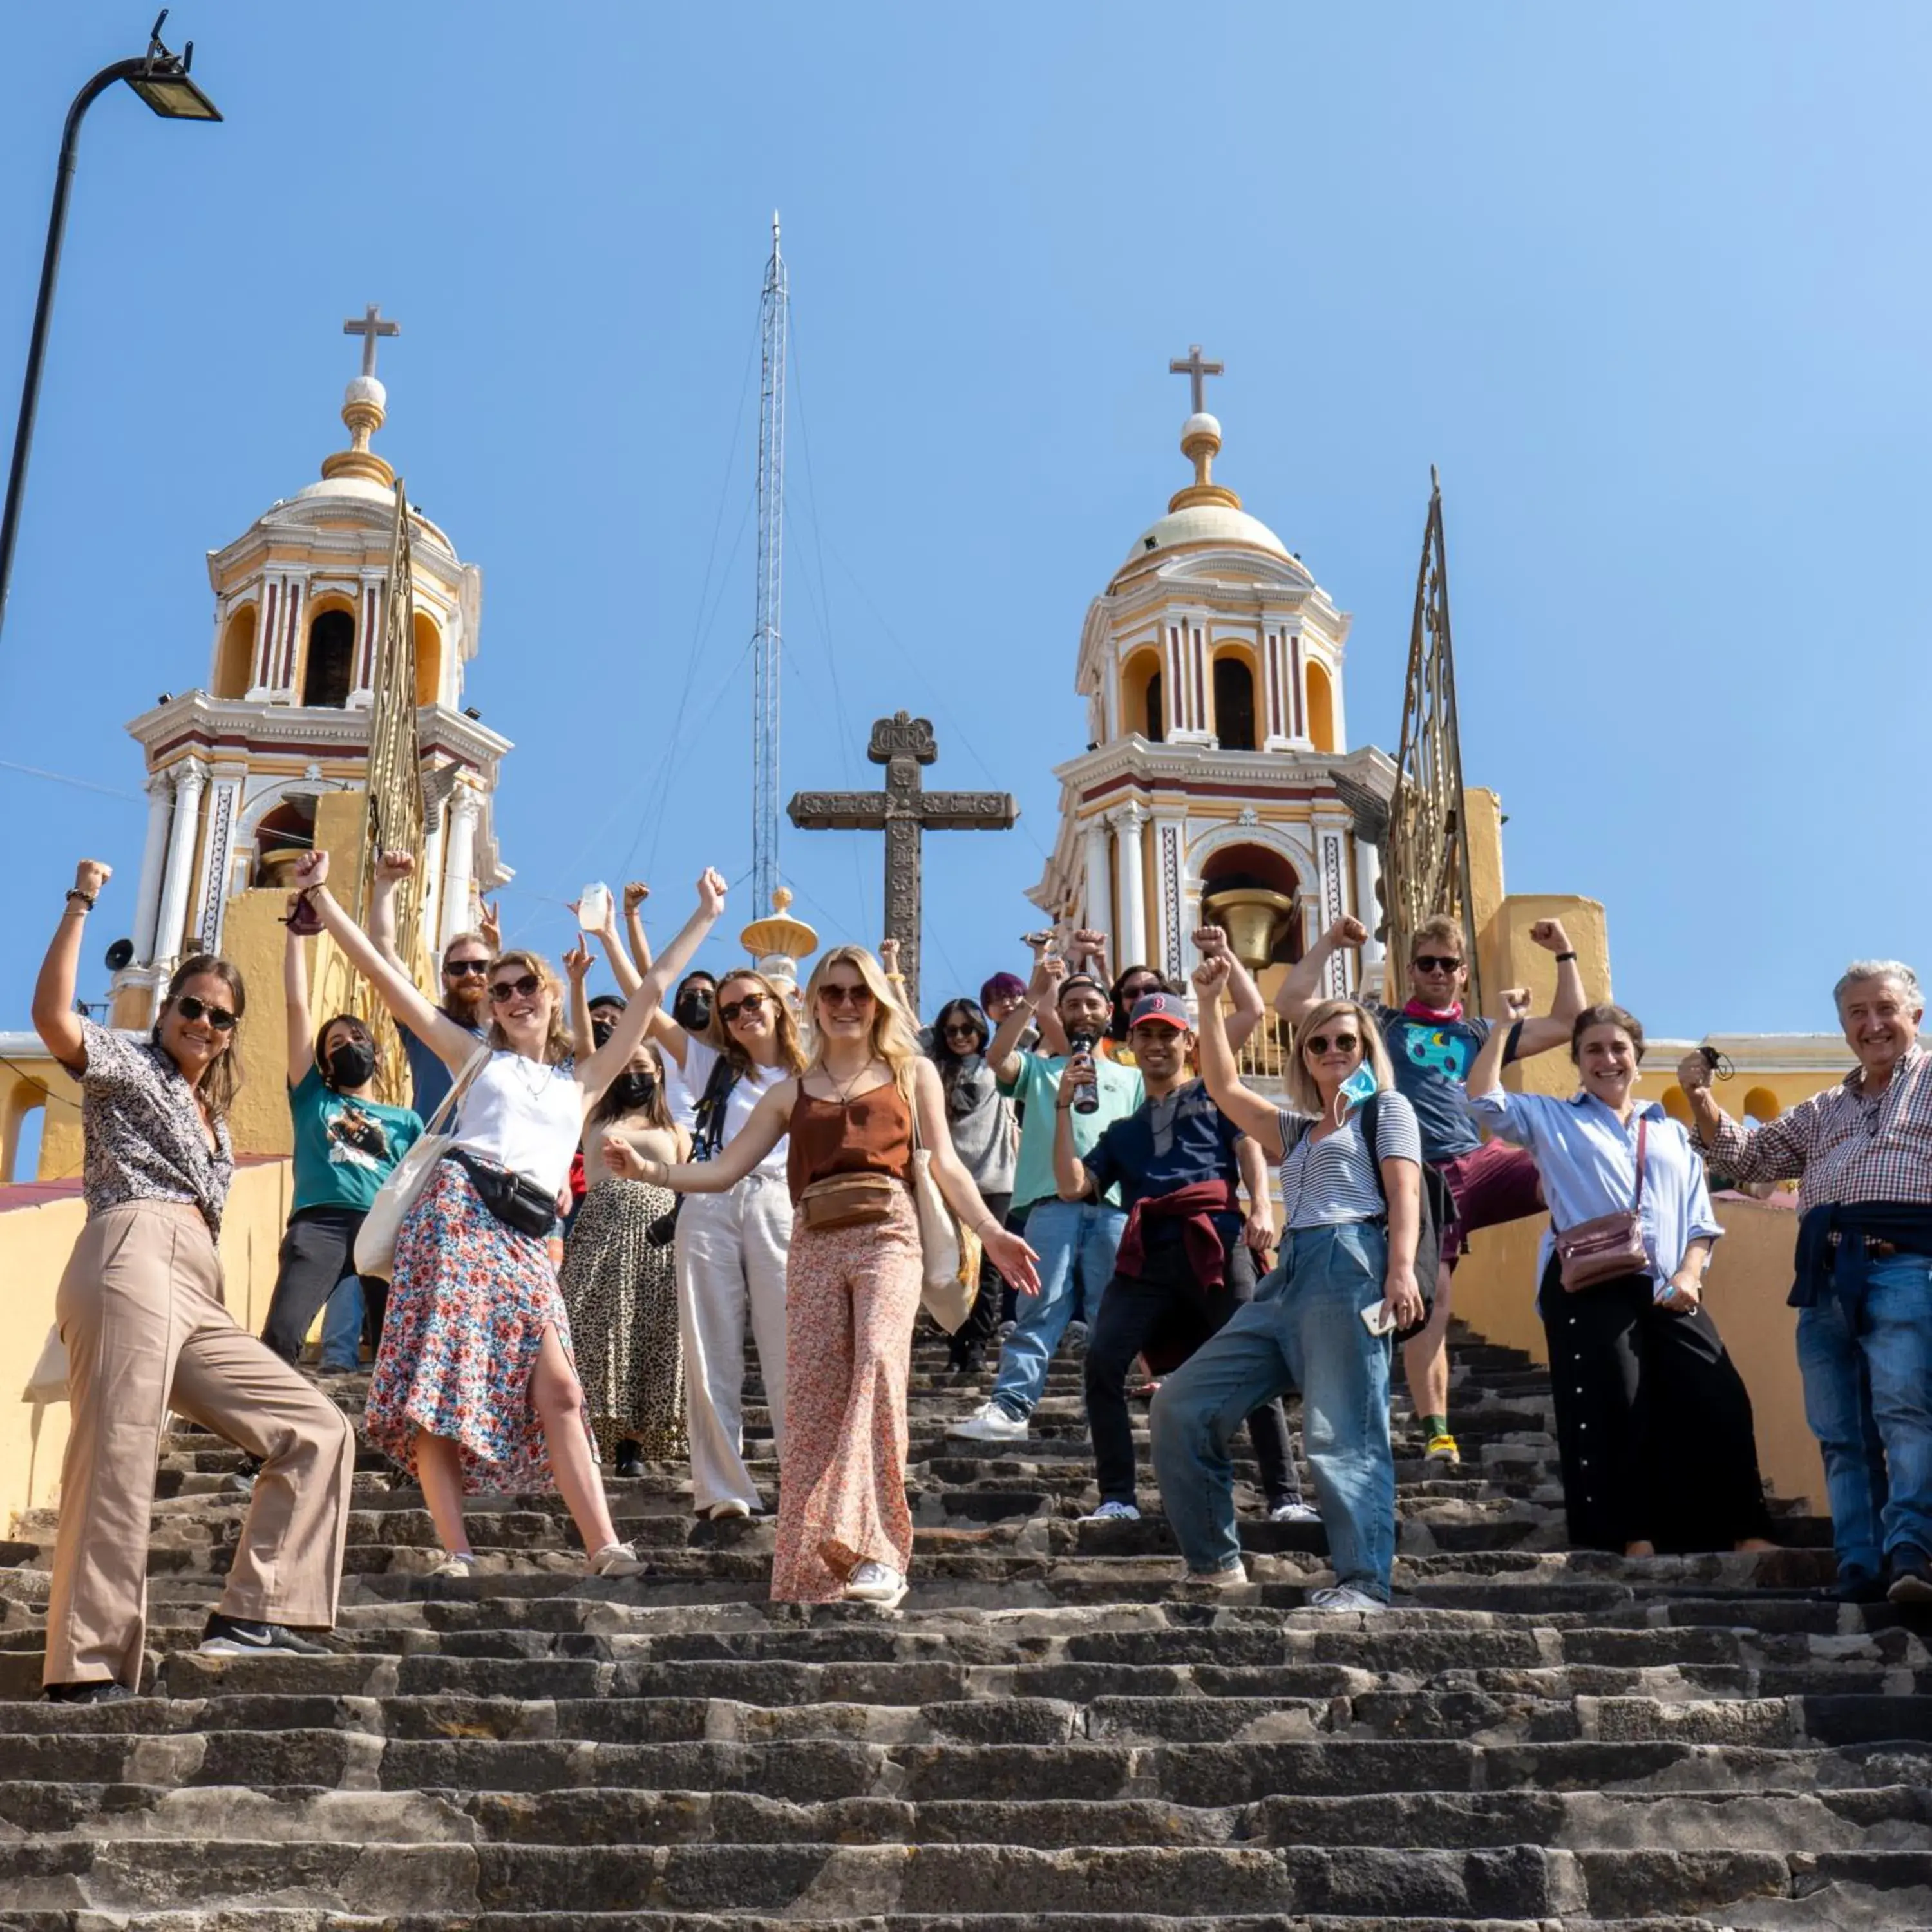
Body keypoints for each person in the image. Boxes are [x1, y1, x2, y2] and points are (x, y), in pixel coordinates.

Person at [296, 850, 728, 1580]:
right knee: (441, 1383)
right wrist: (324, 900)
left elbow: (653, 989)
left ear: (552, 996)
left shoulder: (583, 1081)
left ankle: (603, 1544)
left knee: (559, 1385)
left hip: (530, 1234)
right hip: (459, 1211)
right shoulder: (475, 1057)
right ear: (490, 1005)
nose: (515, 997)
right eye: (501, 990)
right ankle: (457, 1551)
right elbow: (387, 980)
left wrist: (705, 916)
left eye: (528, 985)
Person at [609, 945, 1040, 1608]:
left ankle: (879, 1552)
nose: (845, 1005)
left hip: (888, 1232)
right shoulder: (790, 1091)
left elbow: (947, 1165)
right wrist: (652, 1174)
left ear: (877, 1001)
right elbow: (723, 1171)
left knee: (876, 1372)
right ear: (811, 1003)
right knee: (812, 1404)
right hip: (812, 1239)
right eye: (832, 993)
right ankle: (816, 1568)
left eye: (858, 993)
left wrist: (991, 1232)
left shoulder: (912, 1071)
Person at [32, 859, 355, 1700]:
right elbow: (52, 1017)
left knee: (317, 1427)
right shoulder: (125, 1064)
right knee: (118, 1454)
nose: (205, 1022)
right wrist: (80, 904)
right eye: (192, 1008)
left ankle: (261, 1610)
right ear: (167, 1008)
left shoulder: (213, 1118)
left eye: (219, 1017)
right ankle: (89, 1667)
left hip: (199, 1283)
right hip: (131, 1247)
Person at [1150, 969, 1426, 1605]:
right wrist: (1213, 1000)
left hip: (1348, 1259)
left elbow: (1404, 1188)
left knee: (1341, 1434)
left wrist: (1402, 1267)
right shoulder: (1300, 1133)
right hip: (1286, 1276)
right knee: (1181, 1406)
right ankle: (1215, 1567)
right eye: (1318, 1043)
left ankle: (1364, 1583)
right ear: (1304, 1056)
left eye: (1346, 1042)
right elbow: (1222, 1085)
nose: (1332, 1052)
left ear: (1366, 1051)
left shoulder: (1386, 1109)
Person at [1276, 912, 1585, 1466]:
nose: (1438, 972)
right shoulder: (1382, 1025)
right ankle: (1437, 1429)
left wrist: (1564, 952)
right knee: (1435, 1299)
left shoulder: (1480, 1033)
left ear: (1463, 974)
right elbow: (1293, 1003)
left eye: (1448, 964)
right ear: (1411, 972)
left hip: (1478, 1161)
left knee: (1568, 1167)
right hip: (1422, 1177)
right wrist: (1328, 941)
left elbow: (1568, 1023)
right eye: (1427, 963)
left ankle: (1586, 1269)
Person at [1467, 1003, 1775, 1557]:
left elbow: (1702, 1220)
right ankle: (1631, 1538)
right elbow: (1484, 1099)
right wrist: (1503, 1032)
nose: (1607, 1060)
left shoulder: (1671, 1132)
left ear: (1636, 1058)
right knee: (1617, 1402)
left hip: (1667, 1282)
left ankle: (1746, 1531)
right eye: (1593, 1050)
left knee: (1720, 1395)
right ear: (1577, 1062)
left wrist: (1689, 1273)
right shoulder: (1551, 1117)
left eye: (1618, 1049)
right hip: (1589, 1280)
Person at [1679, 961, 1932, 1605]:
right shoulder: (1824, 1108)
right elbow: (1747, 1159)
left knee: (1905, 1412)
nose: (1872, 1025)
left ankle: (1914, 1554)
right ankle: (1859, 1566)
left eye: (1885, 1010)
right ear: (1844, 1026)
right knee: (1841, 1432)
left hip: (1906, 1263)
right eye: (1857, 1014)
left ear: (1915, 1017)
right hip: (1824, 1278)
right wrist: (1703, 1099)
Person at [952, 930, 1266, 1444]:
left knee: (1115, 1312)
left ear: (1108, 1015)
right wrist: (1034, 994)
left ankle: (1118, 1405)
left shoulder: (1133, 1074)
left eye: (1092, 1001)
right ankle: (1011, 1406)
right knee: (1040, 1308)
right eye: (1071, 1002)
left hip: (1122, 1207)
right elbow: (996, 1060)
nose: (1081, 1009)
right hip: (1051, 1203)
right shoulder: (1042, 1069)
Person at [1050, 985, 1304, 1526]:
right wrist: (1060, 1108)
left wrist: (1262, 1207)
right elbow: (1073, 1186)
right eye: (1146, 1034)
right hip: (1149, 1254)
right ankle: (1117, 1495)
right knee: (1102, 1359)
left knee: (1253, 1357)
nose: (1157, 1044)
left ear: (1188, 1042)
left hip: (1216, 1236)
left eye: (1168, 1034)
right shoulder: (1123, 1131)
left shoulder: (1217, 1097)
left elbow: (1248, 1148)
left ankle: (1285, 1495)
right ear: (1130, 1044)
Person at [636, 954, 806, 1519]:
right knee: (708, 1350)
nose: (739, 1015)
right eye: (728, 1009)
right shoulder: (713, 1067)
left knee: (791, 1349)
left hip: (781, 1200)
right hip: (709, 1200)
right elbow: (651, 999)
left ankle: (805, 1481)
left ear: (779, 1005)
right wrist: (616, 932)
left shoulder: (815, 1070)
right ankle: (723, 1488)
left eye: (751, 1002)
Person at [260, 904, 423, 1366]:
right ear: (326, 1065)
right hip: (320, 1226)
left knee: (399, 1351)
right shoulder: (313, 1097)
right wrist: (295, 936)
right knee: (283, 1333)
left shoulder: (404, 1121)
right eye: (336, 1044)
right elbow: (297, 1006)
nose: (348, 1044)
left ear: (374, 1049)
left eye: (357, 1038)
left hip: (384, 1227)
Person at [560, 1032, 688, 1479]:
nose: (633, 1076)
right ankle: (585, 1433)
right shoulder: (595, 1118)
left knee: (648, 1335)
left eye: (642, 1068)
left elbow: (687, 1189)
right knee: (590, 1330)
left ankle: (632, 1443)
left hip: (658, 1237)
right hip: (601, 1229)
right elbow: (585, 1056)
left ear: (658, 1074)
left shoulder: (677, 1133)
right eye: (625, 1068)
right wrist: (577, 983)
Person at [927, 997, 1017, 1374]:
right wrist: (893, 969)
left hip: (994, 1179)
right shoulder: (932, 1072)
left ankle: (978, 1344)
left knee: (990, 1268)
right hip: (951, 1180)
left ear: (981, 1030)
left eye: (968, 1028)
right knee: (954, 1265)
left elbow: (1018, 1034)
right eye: (952, 1030)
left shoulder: (997, 1066)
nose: (961, 1036)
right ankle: (956, 1344)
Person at [368, 851, 491, 1117]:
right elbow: (383, 952)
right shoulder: (428, 1024)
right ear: (444, 977)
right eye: (459, 968)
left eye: (480, 966)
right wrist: (386, 884)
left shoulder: (514, 1039)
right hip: (434, 1155)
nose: (470, 974)